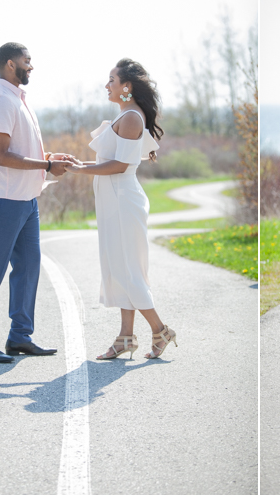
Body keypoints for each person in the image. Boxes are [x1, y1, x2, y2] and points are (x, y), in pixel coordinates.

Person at [0, 42, 74, 364]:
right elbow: (1, 156)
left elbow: (20, 149)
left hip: (27, 199)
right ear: (10, 64)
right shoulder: (1, 100)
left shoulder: (17, 99)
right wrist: (45, 167)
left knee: (29, 268)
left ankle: (19, 337)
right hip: (4, 198)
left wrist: (48, 159)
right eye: (27, 61)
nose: (32, 66)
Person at [67, 58, 177, 360]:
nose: (107, 86)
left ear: (126, 87)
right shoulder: (127, 115)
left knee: (128, 269)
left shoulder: (131, 118)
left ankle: (161, 330)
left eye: (112, 80)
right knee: (120, 267)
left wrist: (79, 171)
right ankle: (126, 337)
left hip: (122, 200)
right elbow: (108, 163)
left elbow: (120, 165)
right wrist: (76, 166)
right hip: (114, 199)